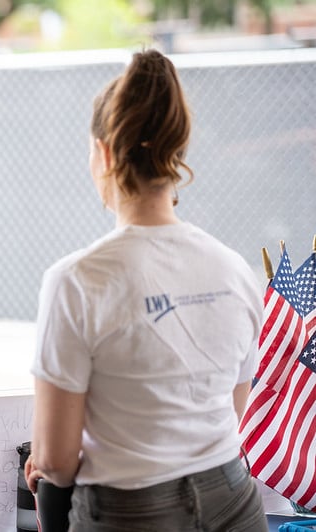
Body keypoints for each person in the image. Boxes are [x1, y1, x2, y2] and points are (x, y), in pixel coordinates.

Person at [24, 49, 268, 531]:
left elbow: (56, 460)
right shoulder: (233, 268)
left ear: (105, 153)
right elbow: (227, 412)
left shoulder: (77, 280)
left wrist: (45, 467)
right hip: (235, 501)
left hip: (131, 510)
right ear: (174, 155)